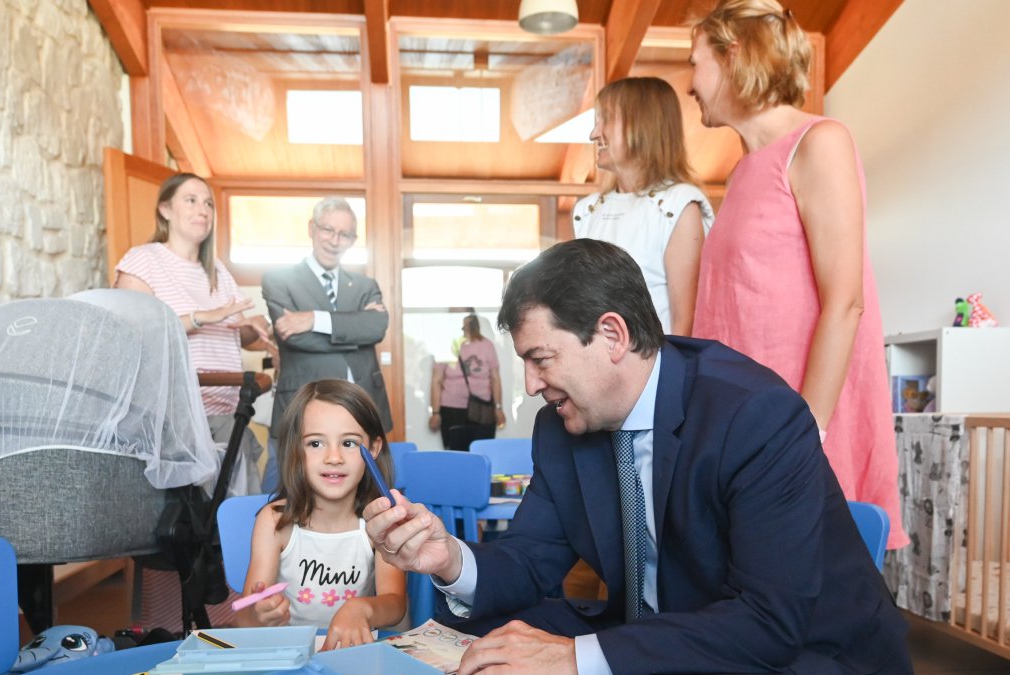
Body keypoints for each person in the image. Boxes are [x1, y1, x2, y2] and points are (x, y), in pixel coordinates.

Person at [365, 239, 909, 674]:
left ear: (612, 334)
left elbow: (767, 622)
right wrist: (448, 558)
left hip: (798, 652)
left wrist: (574, 659)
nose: (530, 385)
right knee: (488, 644)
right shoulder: (561, 428)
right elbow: (532, 558)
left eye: (541, 358)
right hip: (663, 632)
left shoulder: (754, 414)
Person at [687, 0, 906, 547]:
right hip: (741, 427)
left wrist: (804, 434)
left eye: (695, 63)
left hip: (794, 431)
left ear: (733, 56)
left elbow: (846, 302)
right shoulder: (741, 172)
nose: (689, 84)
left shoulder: (819, 142)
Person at [114, 172, 274, 630]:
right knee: (181, 528)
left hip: (228, 411)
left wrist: (255, 331)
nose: (202, 209)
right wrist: (206, 315)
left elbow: (232, 328)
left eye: (208, 202)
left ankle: (232, 624)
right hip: (175, 414)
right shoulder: (144, 261)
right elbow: (132, 327)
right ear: (165, 209)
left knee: (226, 526)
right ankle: (169, 626)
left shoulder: (216, 270)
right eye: (191, 200)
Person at [235, 379, 406, 650]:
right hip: (289, 658)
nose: (333, 457)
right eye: (315, 444)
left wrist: (363, 609)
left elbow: (395, 604)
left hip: (354, 656)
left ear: (373, 449)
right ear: (296, 450)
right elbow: (245, 617)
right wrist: (258, 614)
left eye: (349, 443)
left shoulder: (382, 521)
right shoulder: (273, 521)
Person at [261, 197, 392, 492]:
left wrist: (315, 319)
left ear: (353, 239)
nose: (335, 241)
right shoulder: (279, 280)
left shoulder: (364, 286)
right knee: (287, 497)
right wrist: (354, 329)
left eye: (344, 234)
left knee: (369, 498)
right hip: (301, 405)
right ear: (311, 228)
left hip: (362, 406)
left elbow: (376, 327)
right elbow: (292, 336)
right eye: (327, 230)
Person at [572, 76, 713, 336]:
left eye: (606, 120)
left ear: (643, 125)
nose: (594, 133)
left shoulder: (677, 206)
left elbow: (687, 325)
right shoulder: (588, 211)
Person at [429, 314, 505, 451]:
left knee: (482, 452)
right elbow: (436, 380)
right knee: (456, 456)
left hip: (482, 409)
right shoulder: (447, 345)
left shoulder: (487, 345)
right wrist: (435, 413)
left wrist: (498, 407)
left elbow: (495, 378)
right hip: (452, 411)